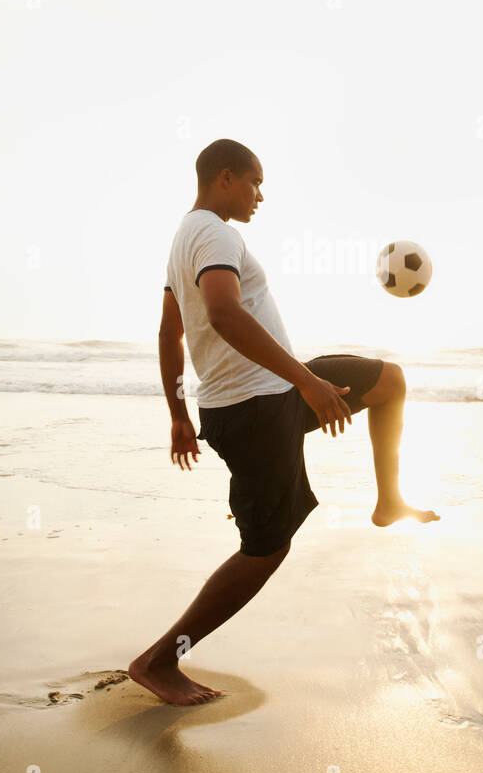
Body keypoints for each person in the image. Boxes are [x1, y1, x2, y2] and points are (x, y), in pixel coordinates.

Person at [128, 138, 439, 706]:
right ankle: (158, 661)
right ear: (225, 178)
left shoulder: (185, 237)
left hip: (262, 399)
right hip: (256, 408)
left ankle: (388, 500)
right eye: (255, 182)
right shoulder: (216, 233)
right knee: (266, 549)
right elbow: (223, 313)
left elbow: (169, 333)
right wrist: (307, 381)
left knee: (388, 380)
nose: (260, 195)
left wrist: (178, 414)